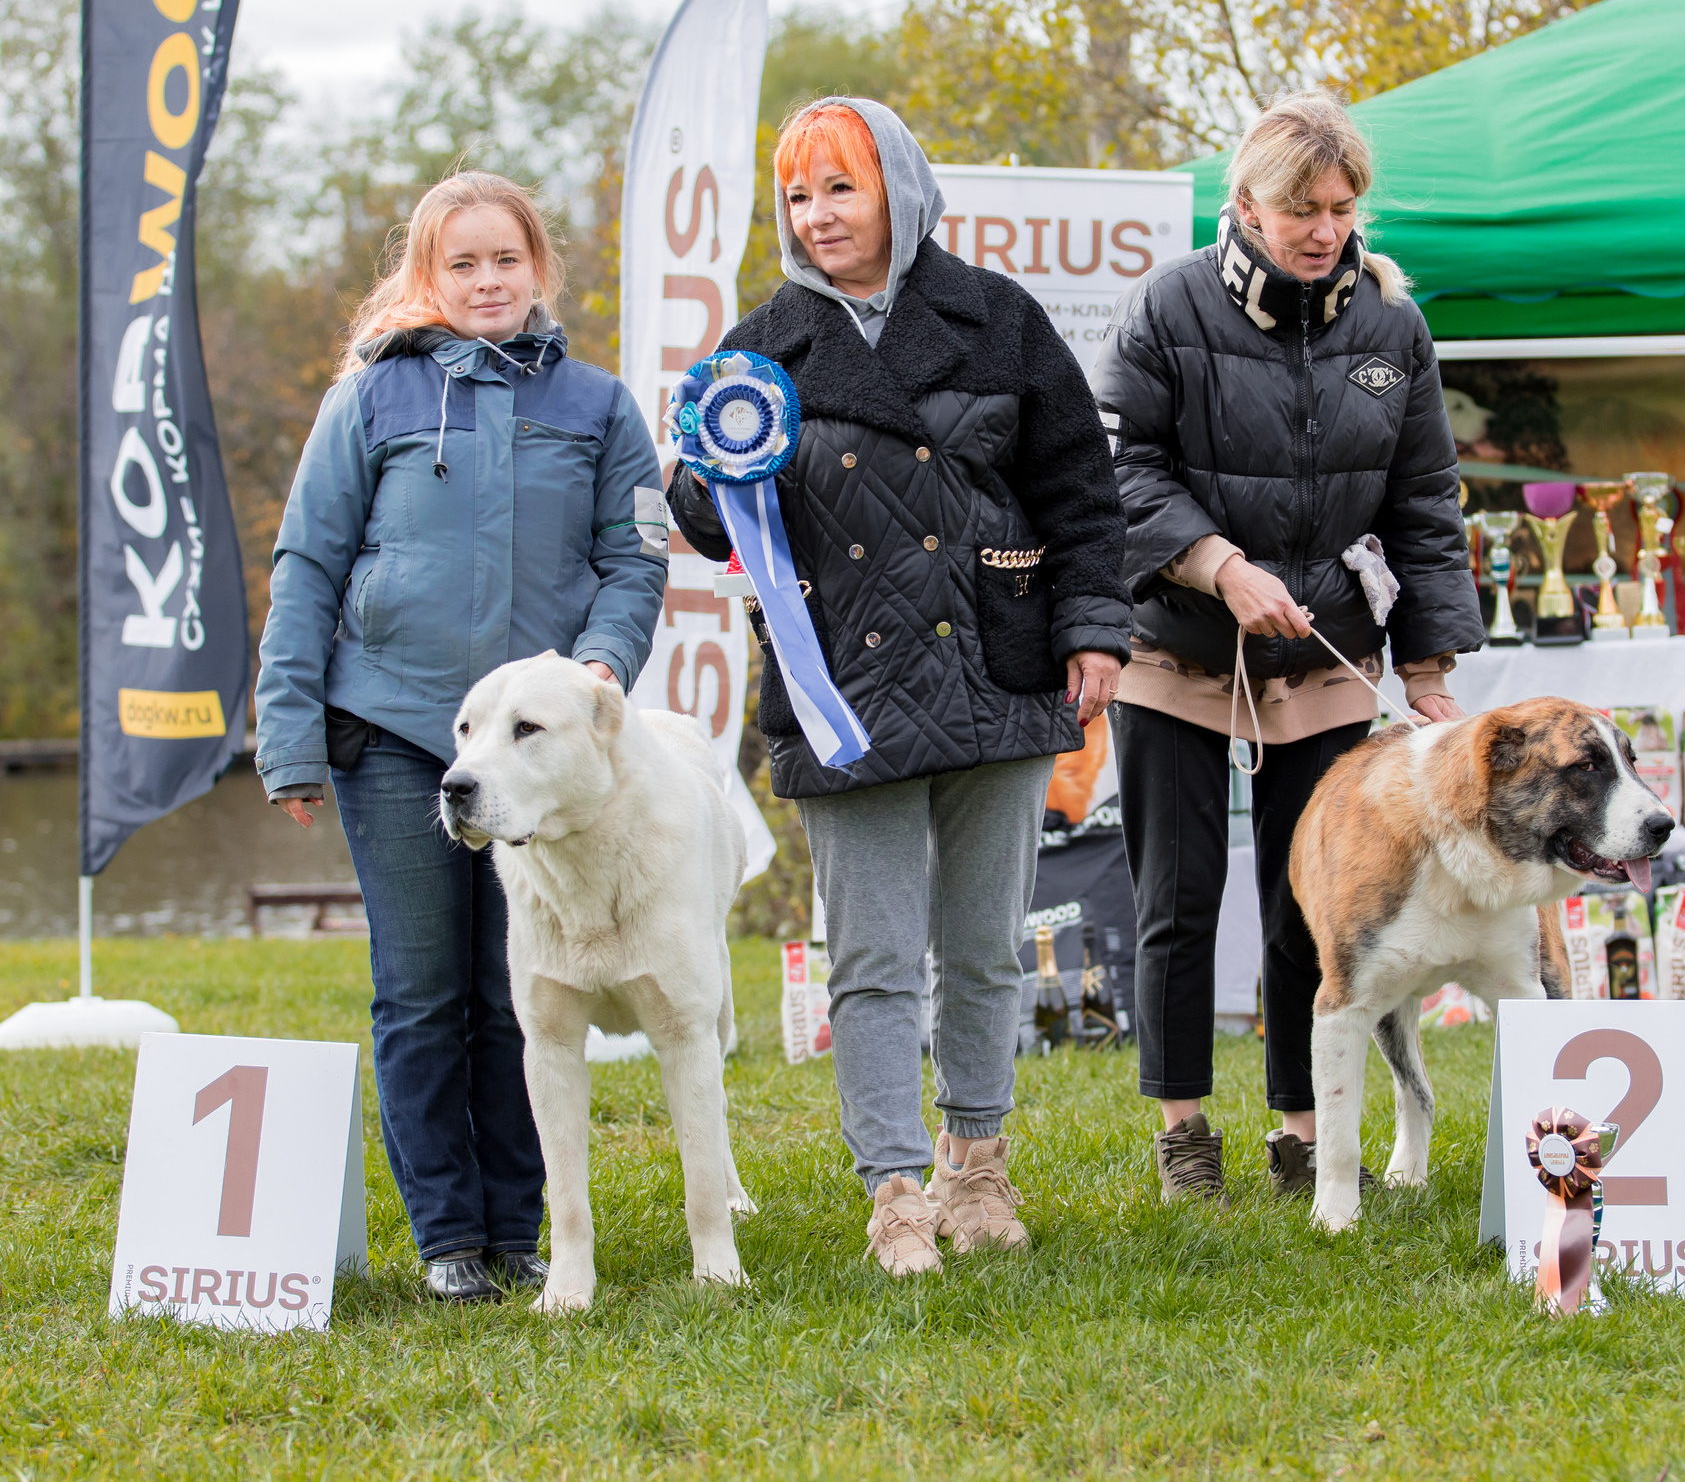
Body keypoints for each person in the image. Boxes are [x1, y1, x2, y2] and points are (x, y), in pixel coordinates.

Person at [666, 98, 1128, 1279]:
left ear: (901, 191)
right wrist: (701, 478)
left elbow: (1080, 488)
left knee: (982, 947)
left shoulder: (999, 318)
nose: (818, 216)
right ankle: (895, 1190)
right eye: (798, 195)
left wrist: (1094, 627)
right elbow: (713, 521)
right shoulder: (759, 347)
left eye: (842, 188)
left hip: (996, 669)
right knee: (869, 959)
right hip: (843, 688)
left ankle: (977, 1165)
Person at [255, 172, 667, 1301]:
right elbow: (306, 567)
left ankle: (519, 1230)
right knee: (424, 991)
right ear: (426, 276)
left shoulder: (599, 406)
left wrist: (600, 667)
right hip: (395, 733)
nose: (488, 281)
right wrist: (289, 736)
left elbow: (634, 562)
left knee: (516, 990)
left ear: (539, 268)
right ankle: (447, 1239)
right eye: (463, 263)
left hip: (537, 754)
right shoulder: (367, 400)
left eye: (507, 260)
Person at [1097, 92, 1482, 1204]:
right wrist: (1215, 563)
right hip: (1173, 651)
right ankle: (1182, 1131)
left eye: (1341, 208)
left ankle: (1302, 1131)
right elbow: (1122, 467)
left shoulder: (1394, 326)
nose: (1323, 230)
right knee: (1178, 899)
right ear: (1246, 205)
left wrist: (1427, 668)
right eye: (1300, 209)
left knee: (1311, 902)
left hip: (1326, 659)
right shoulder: (1166, 305)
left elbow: (1424, 500)